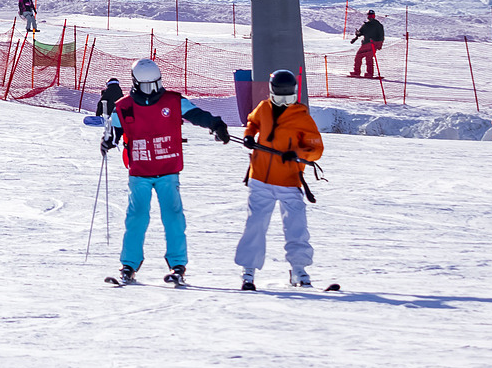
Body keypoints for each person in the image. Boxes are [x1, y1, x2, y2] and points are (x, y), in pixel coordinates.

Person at [103, 56, 232, 285]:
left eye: (155, 85)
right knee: (137, 218)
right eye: (146, 86)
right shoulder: (124, 106)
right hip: (140, 171)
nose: (152, 91)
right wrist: (108, 142)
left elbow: (197, 115)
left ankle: (178, 264)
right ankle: (129, 265)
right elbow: (114, 131)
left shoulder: (173, 101)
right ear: (135, 83)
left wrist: (216, 124)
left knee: (173, 217)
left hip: (168, 169)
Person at [236, 68, 326, 290]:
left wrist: (298, 155)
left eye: (290, 96)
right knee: (255, 224)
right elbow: (253, 121)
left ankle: (299, 270)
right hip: (260, 179)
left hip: (289, 180)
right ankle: (248, 271)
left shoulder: (301, 116)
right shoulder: (264, 108)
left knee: (296, 226)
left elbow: (316, 149)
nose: (285, 101)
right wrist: (249, 135)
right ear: (272, 92)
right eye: (281, 96)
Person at [350, 11, 385, 79]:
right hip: (365, 44)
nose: (370, 17)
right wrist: (358, 34)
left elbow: (381, 36)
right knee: (359, 57)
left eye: (371, 15)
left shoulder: (378, 25)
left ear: (374, 16)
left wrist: (379, 44)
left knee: (367, 58)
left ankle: (368, 73)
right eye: (369, 15)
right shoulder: (366, 25)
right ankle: (358, 72)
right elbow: (360, 33)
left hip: (373, 44)